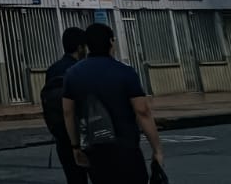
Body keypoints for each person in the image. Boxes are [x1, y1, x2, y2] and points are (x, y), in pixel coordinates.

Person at [61, 23, 164, 184]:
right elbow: (142, 111)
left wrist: (75, 146)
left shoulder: (72, 74)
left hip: (94, 148)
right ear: (111, 42)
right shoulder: (125, 72)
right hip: (126, 148)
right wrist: (156, 149)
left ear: (87, 46)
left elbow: (68, 113)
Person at [41, 27, 88, 184]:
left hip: (62, 136)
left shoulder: (52, 70)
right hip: (86, 134)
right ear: (80, 47)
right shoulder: (82, 68)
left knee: (74, 179)